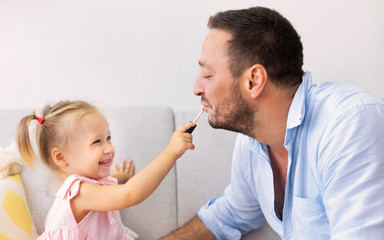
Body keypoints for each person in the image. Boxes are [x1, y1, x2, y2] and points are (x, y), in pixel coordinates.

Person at [161, 6, 384, 240]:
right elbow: (230, 215)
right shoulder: (251, 143)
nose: (197, 89)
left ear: (254, 80)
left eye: (207, 75)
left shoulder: (349, 125)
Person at [16, 100, 196, 240]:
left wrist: (120, 176)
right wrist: (171, 152)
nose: (109, 148)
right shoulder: (80, 193)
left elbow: (105, 189)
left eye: (108, 138)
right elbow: (130, 195)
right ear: (62, 157)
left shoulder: (88, 188)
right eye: (97, 141)